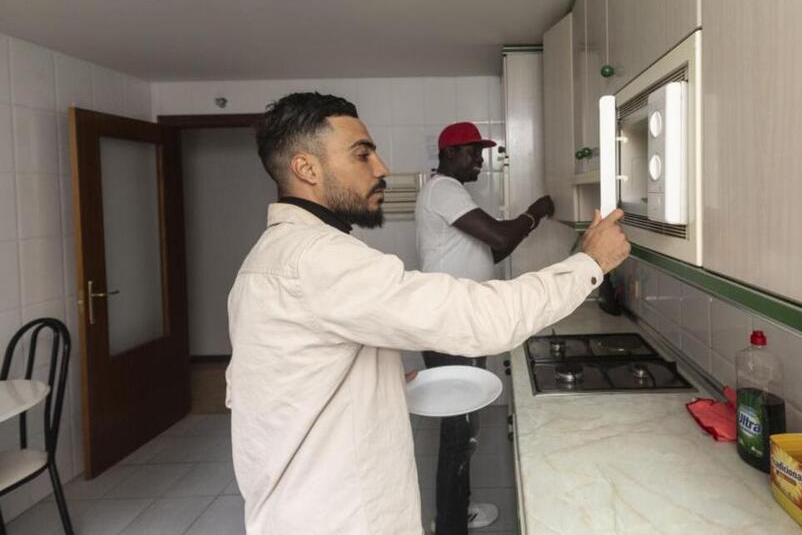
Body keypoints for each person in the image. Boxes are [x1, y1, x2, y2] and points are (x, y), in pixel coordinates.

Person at [227, 92, 630, 535]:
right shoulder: (316, 260)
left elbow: (274, 383)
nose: (381, 168)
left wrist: (374, 380)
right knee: (458, 439)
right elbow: (481, 317)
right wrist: (589, 264)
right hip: (338, 517)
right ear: (307, 169)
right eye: (363, 155)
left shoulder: (273, 257)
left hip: (308, 507)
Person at [415, 121, 555, 534]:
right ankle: (451, 523)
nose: (480, 159)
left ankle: (460, 509)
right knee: (458, 432)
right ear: (450, 153)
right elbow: (498, 233)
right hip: (449, 326)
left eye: (482, 151)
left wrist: (532, 220)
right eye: (474, 151)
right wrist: (534, 213)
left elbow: (495, 248)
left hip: (461, 324)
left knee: (465, 427)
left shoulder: (450, 193)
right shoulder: (443, 189)